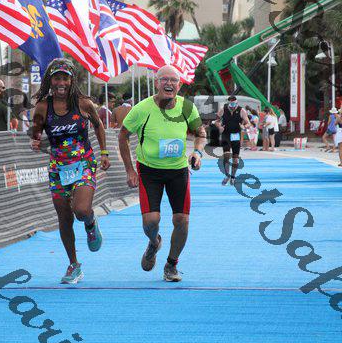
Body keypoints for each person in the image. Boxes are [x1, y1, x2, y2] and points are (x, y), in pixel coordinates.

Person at [118, 65, 206, 282]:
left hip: (178, 171)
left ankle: (171, 264)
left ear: (179, 85)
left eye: (173, 80)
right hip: (149, 171)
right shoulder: (142, 109)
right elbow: (122, 136)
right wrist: (129, 170)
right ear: (157, 83)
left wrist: (197, 153)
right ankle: (154, 242)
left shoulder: (187, 107)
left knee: (182, 220)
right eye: (164, 79)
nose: (169, 84)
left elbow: (200, 133)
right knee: (151, 221)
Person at [31, 58, 110, 284]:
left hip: (83, 163)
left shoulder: (83, 103)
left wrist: (104, 153)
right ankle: (74, 265)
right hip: (58, 167)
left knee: (81, 210)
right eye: (57, 78)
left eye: (65, 78)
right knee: (64, 217)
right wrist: (36, 142)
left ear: (72, 80)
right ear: (50, 81)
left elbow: (98, 125)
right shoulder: (43, 107)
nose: (61, 83)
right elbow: (36, 136)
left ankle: (90, 221)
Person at [215, 95, 251, 185]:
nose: (232, 104)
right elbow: (216, 121)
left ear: (236, 102)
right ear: (228, 102)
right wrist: (219, 127)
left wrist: (244, 127)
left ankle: (233, 176)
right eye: (231, 102)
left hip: (236, 135)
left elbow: (248, 123)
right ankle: (227, 175)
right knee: (226, 155)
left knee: (235, 158)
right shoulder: (223, 109)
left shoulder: (241, 110)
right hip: (226, 134)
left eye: (234, 102)